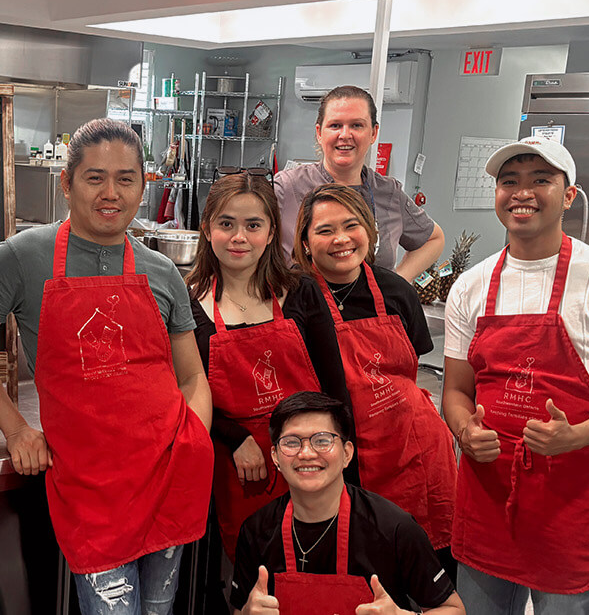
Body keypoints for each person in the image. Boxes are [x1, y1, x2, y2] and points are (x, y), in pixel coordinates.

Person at [0, 118, 213, 615]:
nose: (110, 193)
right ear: (66, 184)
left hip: (168, 477)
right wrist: (15, 429)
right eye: (95, 178)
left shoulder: (160, 271)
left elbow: (191, 376)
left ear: (143, 185)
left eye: (125, 178)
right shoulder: (21, 256)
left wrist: (191, 442)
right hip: (89, 489)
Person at [441, 136, 589, 615]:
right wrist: (464, 430)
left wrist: (576, 435)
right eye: (509, 181)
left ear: (568, 195)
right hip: (487, 489)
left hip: (568, 493)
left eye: (541, 180)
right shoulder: (471, 285)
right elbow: (456, 390)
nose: (523, 192)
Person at [284, 183, 458, 578]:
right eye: (325, 230)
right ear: (306, 242)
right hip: (343, 452)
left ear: (370, 231)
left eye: (352, 225)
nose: (341, 239)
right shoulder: (296, 296)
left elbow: (414, 355)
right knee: (357, 568)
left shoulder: (396, 291)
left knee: (425, 568)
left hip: (416, 445)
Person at [183, 171, 335, 578]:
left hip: (310, 460)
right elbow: (182, 395)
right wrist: (236, 438)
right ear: (207, 229)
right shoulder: (189, 306)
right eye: (226, 224)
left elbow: (334, 388)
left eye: (253, 225)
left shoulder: (301, 292)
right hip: (236, 472)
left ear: (271, 233)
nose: (239, 237)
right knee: (248, 585)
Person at [231, 391, 465, 615]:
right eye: (291, 442)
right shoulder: (256, 531)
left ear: (347, 453)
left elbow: (453, 609)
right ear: (275, 457)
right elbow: (239, 610)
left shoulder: (394, 529)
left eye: (322, 440)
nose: (306, 453)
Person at [274, 85, 444, 280]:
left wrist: (398, 284)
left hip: (373, 309)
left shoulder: (388, 192)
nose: (345, 135)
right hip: (304, 308)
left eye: (357, 125)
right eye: (335, 125)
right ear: (319, 133)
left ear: (373, 133)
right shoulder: (286, 187)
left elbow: (434, 239)